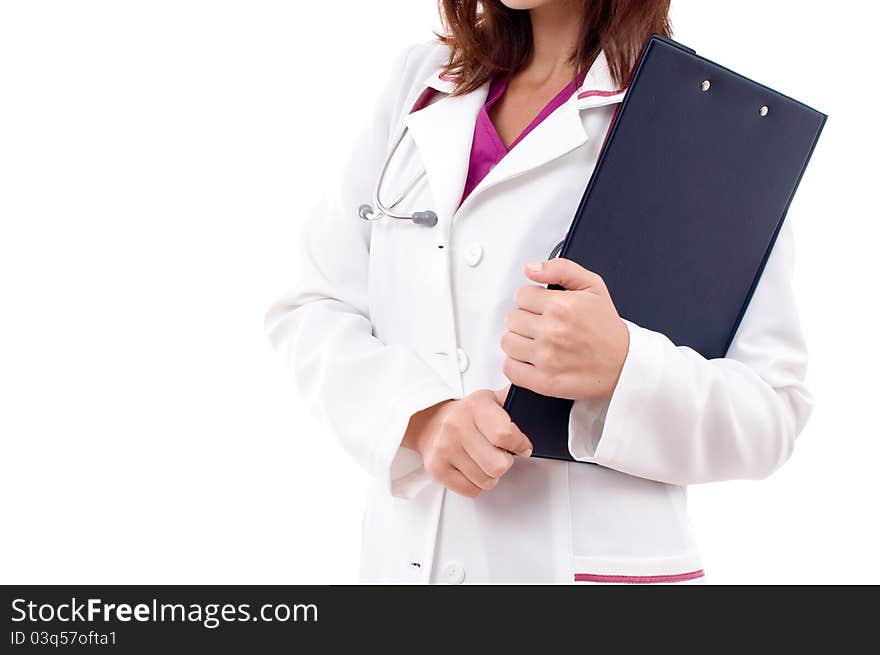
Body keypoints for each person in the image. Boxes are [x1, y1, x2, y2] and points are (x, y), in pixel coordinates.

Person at [265, 0, 812, 584]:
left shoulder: (703, 126)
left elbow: (772, 411)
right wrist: (420, 420)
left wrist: (624, 367)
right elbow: (313, 307)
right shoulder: (419, 86)